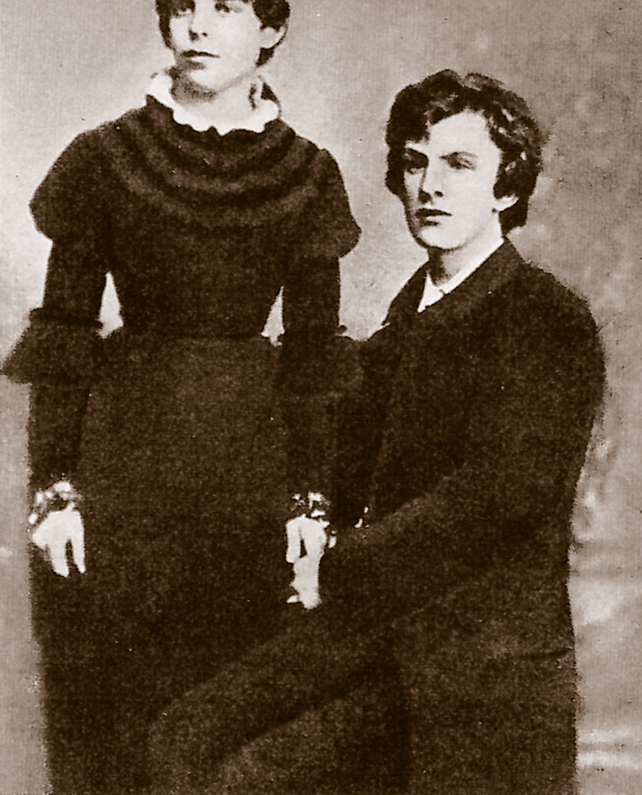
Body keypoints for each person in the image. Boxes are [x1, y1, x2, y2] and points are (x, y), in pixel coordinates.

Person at [148, 70, 606, 795]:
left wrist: (335, 571)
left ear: (506, 189)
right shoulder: (400, 328)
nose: (431, 186)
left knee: (242, 776)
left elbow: (496, 498)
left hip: (475, 672)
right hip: (378, 637)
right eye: (416, 163)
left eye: (460, 164)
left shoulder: (545, 319)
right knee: (182, 735)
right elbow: (330, 462)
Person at [2, 0, 359, 795]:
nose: (198, 28)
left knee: (219, 730)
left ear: (270, 30)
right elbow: (64, 333)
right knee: (109, 725)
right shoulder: (102, 158)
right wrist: (54, 490)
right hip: (121, 465)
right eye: (183, 8)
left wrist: (312, 500)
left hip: (248, 473)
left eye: (226, 9)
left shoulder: (309, 175)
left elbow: (314, 354)